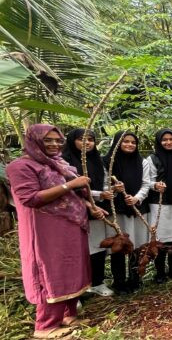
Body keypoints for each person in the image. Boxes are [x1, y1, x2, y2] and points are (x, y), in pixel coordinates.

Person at [7, 124, 107, 339]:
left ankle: (68, 315)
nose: (54, 144)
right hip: (46, 231)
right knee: (51, 272)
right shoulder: (20, 166)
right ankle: (46, 325)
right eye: (48, 140)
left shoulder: (59, 164)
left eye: (57, 140)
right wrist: (69, 186)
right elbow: (29, 198)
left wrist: (91, 206)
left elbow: (76, 196)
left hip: (72, 225)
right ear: (34, 141)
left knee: (73, 268)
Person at [62, 129, 114, 297]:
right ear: (72, 141)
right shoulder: (64, 162)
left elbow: (105, 181)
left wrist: (107, 192)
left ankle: (97, 282)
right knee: (78, 250)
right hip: (74, 211)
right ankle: (77, 288)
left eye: (91, 139)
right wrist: (99, 194)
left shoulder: (97, 160)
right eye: (82, 140)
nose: (87, 143)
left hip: (97, 210)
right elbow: (68, 189)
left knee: (97, 247)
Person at [103, 131, 151, 293]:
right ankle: (119, 281)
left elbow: (146, 184)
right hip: (117, 210)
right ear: (117, 143)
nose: (130, 145)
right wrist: (114, 190)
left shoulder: (142, 162)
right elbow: (102, 186)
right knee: (119, 244)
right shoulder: (107, 162)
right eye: (125, 142)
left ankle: (135, 278)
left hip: (137, 209)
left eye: (133, 142)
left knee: (137, 245)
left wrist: (137, 198)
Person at [146, 129, 172, 284]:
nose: (169, 142)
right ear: (159, 141)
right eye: (165, 139)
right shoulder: (153, 159)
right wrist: (155, 185)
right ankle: (160, 272)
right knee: (160, 237)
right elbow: (147, 181)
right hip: (159, 203)